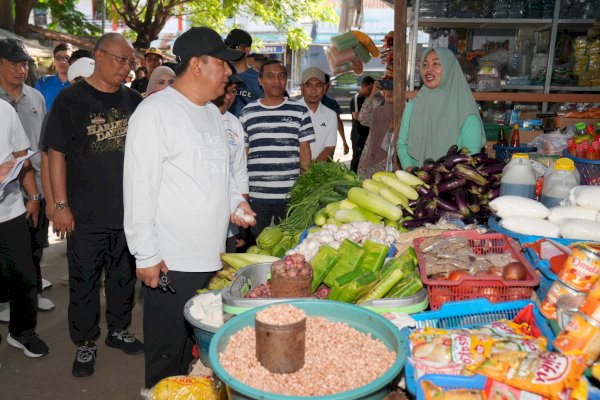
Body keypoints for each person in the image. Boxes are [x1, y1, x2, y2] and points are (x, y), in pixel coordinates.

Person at [123, 26, 254, 388]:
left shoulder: (211, 113)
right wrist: (145, 254)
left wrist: (234, 203)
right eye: (222, 65)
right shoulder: (155, 112)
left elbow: (222, 175)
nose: (229, 72)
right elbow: (138, 189)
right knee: (168, 356)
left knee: (198, 360)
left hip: (212, 257)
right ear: (197, 64)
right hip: (172, 261)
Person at [44, 32, 144, 378]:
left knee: (123, 277)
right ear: (99, 56)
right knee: (84, 280)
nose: (127, 68)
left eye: (131, 62)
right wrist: (60, 204)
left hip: (128, 210)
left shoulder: (134, 100)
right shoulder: (70, 99)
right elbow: (55, 153)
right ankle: (85, 342)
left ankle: (118, 330)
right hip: (85, 212)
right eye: (121, 59)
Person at [0, 38, 54, 315]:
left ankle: (31, 290)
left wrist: (47, 192)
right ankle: (5, 299)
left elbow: (43, 146)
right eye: (14, 63)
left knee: (34, 243)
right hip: (4, 191)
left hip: (35, 184)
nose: (21, 70)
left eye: (24, 64)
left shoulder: (36, 97)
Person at [239, 60, 314, 236]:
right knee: (257, 245)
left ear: (286, 80)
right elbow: (244, 154)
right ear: (260, 81)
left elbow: (305, 151)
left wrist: (305, 188)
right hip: (257, 196)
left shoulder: (299, 111)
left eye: (281, 76)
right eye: (270, 76)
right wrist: (243, 191)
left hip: (291, 196)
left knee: (289, 244)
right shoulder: (248, 112)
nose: (276, 81)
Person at [0, 98, 49, 358]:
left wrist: (32, 196)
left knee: (24, 276)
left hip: (11, 211)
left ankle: (23, 331)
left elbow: (22, 158)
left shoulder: (5, 110)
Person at [397, 48, 485, 167]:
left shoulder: (465, 111)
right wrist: (411, 171)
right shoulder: (414, 106)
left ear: (449, 68)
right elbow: (402, 144)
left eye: (436, 63)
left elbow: (470, 155)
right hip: (416, 181)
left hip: (453, 181)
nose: (429, 69)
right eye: (425, 64)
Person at [212, 75, 249, 252]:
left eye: (233, 91)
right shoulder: (198, 117)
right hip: (201, 223)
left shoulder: (234, 124)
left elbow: (240, 171)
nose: (228, 96)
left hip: (230, 224)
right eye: (225, 90)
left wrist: (242, 218)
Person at [357, 80, 394, 178]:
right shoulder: (378, 110)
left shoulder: (404, 113)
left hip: (387, 164)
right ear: (383, 92)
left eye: (394, 90)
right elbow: (363, 119)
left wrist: (396, 130)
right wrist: (372, 92)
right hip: (369, 162)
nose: (390, 92)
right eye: (388, 89)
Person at [299, 67, 337, 161]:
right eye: (308, 85)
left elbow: (330, 148)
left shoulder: (331, 115)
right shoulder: (291, 111)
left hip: (315, 172)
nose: (313, 90)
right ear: (301, 87)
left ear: (324, 88)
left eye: (317, 85)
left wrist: (311, 171)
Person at [225, 29, 263, 117]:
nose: (229, 48)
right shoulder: (221, 74)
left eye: (234, 46)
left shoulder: (258, 79)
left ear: (247, 50)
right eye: (227, 45)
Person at [35, 43, 71, 110]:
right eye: (58, 58)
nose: (63, 62)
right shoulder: (43, 83)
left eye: (67, 58)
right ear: (54, 60)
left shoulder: (80, 85)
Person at [349, 75, 375, 172]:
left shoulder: (369, 99)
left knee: (363, 159)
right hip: (358, 134)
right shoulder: (356, 98)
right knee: (357, 158)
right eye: (370, 89)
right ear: (363, 86)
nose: (371, 91)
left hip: (366, 134)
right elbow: (357, 117)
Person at [322, 73, 349, 155]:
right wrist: (344, 142)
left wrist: (344, 141)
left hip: (327, 144)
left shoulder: (331, 103)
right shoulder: (305, 103)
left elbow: (338, 122)